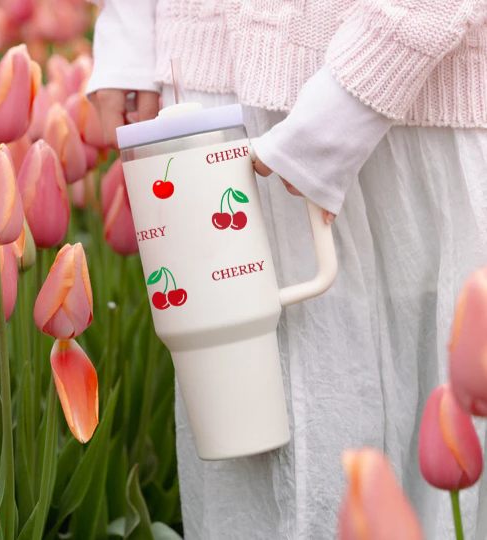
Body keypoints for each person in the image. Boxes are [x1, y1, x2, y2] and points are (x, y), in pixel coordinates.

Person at [87, 1, 487, 539]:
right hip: (208, 111)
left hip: (405, 109)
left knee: (428, 449)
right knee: (244, 455)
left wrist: (341, 113)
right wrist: (129, 37)